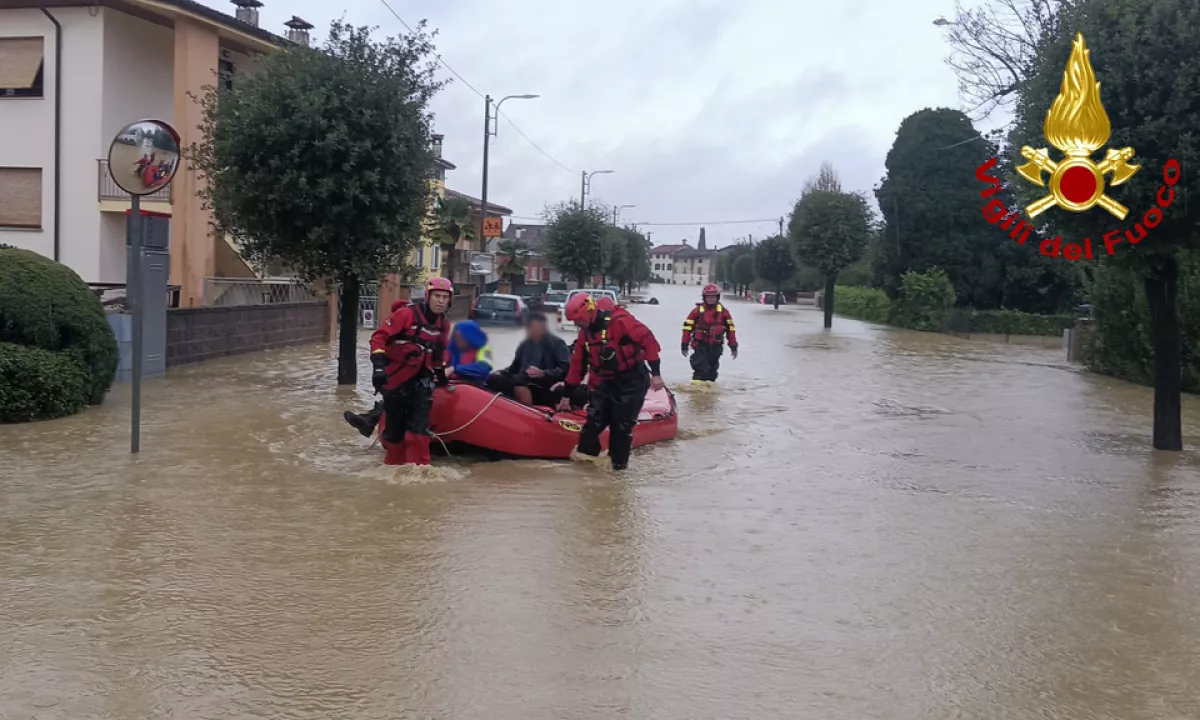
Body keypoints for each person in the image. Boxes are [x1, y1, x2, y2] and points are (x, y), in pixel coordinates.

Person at [552, 292, 664, 471]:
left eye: (577, 320)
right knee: (591, 426)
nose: (575, 324)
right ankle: (586, 470)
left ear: (588, 312)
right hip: (606, 382)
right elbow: (577, 366)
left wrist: (656, 374)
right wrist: (567, 394)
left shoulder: (620, 321)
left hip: (632, 381)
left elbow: (648, 341)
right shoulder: (585, 334)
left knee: (620, 428)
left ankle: (618, 473)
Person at [368, 277, 453, 465]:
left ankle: (420, 471)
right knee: (394, 433)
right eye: (437, 296)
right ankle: (394, 467)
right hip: (396, 381)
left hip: (422, 382)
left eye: (445, 297)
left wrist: (443, 380)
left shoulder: (443, 325)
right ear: (428, 297)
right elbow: (379, 338)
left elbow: (438, 356)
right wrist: (379, 367)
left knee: (420, 429)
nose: (440, 301)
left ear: (449, 300)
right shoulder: (406, 315)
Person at [488, 312, 571, 406]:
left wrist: (543, 373)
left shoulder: (557, 344)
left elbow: (565, 369)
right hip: (523, 378)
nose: (533, 330)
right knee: (495, 379)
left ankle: (527, 412)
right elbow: (514, 368)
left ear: (544, 327)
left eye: (536, 327)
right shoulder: (525, 345)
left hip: (545, 383)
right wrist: (500, 372)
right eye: (531, 327)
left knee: (519, 381)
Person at [680, 283, 738, 383]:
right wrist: (684, 343)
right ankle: (696, 394)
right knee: (701, 369)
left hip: (716, 347)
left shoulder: (724, 312)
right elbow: (687, 328)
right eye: (709, 297)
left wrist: (733, 346)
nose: (711, 299)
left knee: (712, 372)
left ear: (717, 297)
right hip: (700, 345)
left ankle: (709, 395)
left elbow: (731, 330)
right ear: (704, 297)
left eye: (713, 297)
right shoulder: (696, 311)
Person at [446, 320, 493, 385]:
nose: (458, 341)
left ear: (470, 337)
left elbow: (483, 369)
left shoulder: (485, 349)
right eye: (456, 337)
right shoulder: (452, 346)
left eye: (461, 338)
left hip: (474, 386)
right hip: (452, 384)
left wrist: (454, 369)